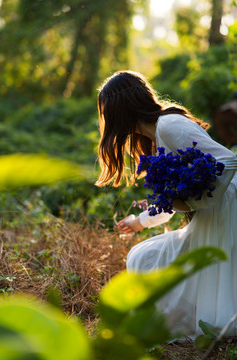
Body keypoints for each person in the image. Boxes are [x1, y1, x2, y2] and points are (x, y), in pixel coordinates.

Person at [95, 70, 237, 338]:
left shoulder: (169, 125)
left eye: (107, 112)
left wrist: (197, 202)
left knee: (144, 258)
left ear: (119, 110)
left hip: (225, 209)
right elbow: (174, 197)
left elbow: (228, 160)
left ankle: (158, 327)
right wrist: (139, 221)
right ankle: (153, 326)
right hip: (211, 212)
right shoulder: (157, 135)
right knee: (143, 256)